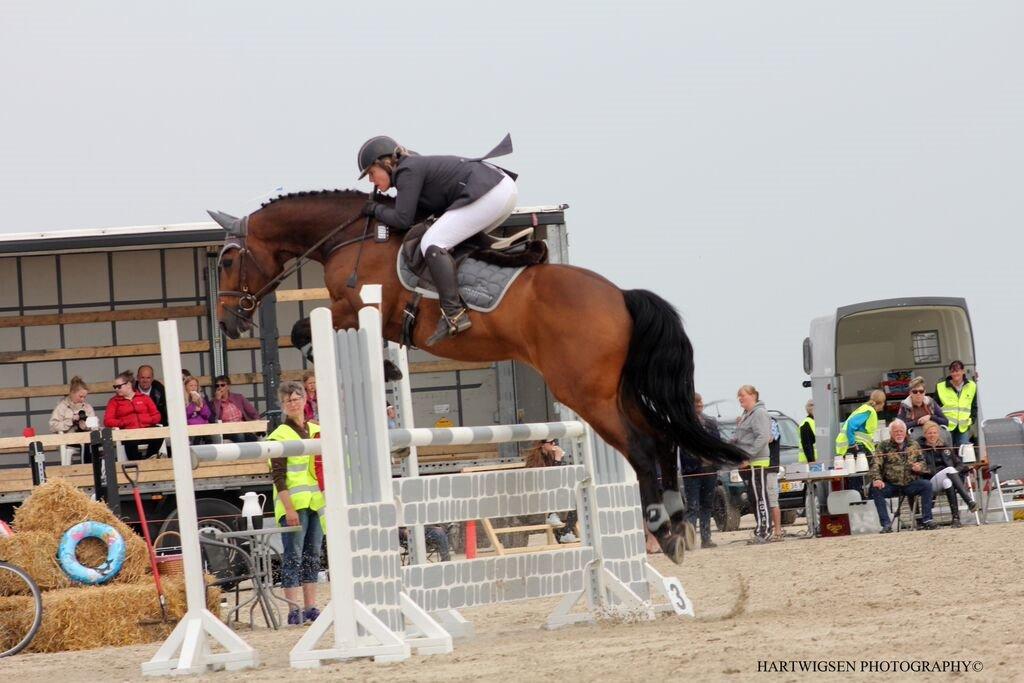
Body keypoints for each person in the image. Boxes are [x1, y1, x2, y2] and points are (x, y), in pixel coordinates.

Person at [357, 134, 518, 345]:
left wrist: (374, 208)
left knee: (432, 244)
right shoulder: (411, 169)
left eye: (371, 173)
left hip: (491, 191)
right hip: (498, 189)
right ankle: (503, 252)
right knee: (448, 238)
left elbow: (403, 219)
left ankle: (454, 313)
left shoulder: (407, 170)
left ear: (385, 163)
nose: (371, 180)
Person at [266, 381, 324, 625]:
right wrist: (289, 508)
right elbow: (278, 477)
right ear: (283, 405)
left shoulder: (315, 430)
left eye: (296, 398)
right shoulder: (278, 435)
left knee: (313, 555)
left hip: (315, 503)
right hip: (293, 505)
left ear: (304, 400)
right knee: (293, 556)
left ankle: (310, 606)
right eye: (288, 400)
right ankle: (293, 609)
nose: (293, 403)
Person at [868, 419, 936, 532]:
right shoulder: (883, 446)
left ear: (905, 432)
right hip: (891, 485)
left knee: (927, 485)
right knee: (875, 488)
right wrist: (877, 479)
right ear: (890, 433)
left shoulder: (914, 444)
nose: (899, 434)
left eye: (901, 431)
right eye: (896, 431)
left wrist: (920, 468)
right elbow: (875, 464)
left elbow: (923, 463)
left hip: (910, 483)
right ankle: (886, 524)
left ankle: (927, 520)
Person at [730, 385, 775, 543]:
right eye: (738, 396)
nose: (740, 398)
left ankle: (765, 531)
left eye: (742, 395)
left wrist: (747, 457)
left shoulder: (759, 413)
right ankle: (760, 529)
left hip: (757, 462)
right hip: (747, 463)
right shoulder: (746, 415)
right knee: (754, 498)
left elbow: (762, 437)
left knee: (760, 497)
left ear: (753, 395)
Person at [917, 421, 978, 528]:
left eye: (935, 433)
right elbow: (923, 468)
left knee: (948, 481)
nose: (932, 435)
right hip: (930, 481)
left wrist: (953, 473)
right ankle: (969, 501)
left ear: (938, 433)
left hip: (947, 478)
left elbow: (959, 464)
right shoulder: (921, 449)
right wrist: (949, 471)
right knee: (949, 469)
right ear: (925, 434)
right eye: (929, 433)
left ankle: (955, 519)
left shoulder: (945, 447)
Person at [681, 393, 719, 549]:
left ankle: (706, 539)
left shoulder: (710, 422)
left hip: (710, 470)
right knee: (693, 507)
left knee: (707, 505)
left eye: (700, 402)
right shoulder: (683, 424)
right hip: (692, 472)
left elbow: (717, 443)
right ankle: (689, 541)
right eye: (696, 402)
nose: (699, 405)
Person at [525, 438, 577, 543]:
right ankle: (551, 515)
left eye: (555, 442)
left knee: (577, 500)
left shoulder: (552, 455)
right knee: (555, 492)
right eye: (551, 442)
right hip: (538, 491)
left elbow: (558, 476)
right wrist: (557, 459)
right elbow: (547, 478)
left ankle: (566, 531)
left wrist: (559, 459)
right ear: (543, 444)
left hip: (554, 490)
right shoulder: (534, 458)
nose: (554, 444)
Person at [835, 389, 886, 494]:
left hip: (850, 447)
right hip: (855, 447)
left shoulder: (863, 409)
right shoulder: (869, 411)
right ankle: (865, 497)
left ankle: (859, 496)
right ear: (882, 402)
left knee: (856, 477)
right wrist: (853, 443)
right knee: (872, 471)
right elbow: (851, 426)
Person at [103, 372, 163, 460]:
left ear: (128, 384)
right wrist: (124, 422)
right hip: (128, 433)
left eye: (118, 386)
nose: (116, 389)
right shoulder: (114, 401)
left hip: (146, 430)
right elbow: (107, 421)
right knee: (129, 439)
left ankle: (149, 457)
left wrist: (147, 420)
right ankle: (138, 462)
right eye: (114, 387)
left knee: (159, 431)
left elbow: (157, 415)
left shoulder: (144, 398)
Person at [49, 376, 98, 462]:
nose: (83, 399)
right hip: (69, 440)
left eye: (85, 397)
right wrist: (70, 421)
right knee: (87, 444)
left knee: (95, 442)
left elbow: (95, 426)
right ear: (72, 393)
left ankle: (94, 468)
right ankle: (87, 468)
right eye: (80, 396)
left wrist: (87, 426)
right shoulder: (62, 407)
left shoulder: (87, 407)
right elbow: (53, 426)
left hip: (86, 439)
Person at [935, 360, 978, 447]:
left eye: (957, 371)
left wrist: (971, 420)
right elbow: (935, 407)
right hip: (946, 426)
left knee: (964, 451)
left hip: (963, 426)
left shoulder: (972, 386)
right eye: (952, 371)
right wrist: (939, 421)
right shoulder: (940, 387)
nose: (955, 374)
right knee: (948, 452)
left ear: (963, 371)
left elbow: (974, 405)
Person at [210, 375, 260, 442]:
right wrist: (218, 401)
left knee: (252, 437)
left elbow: (253, 412)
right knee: (240, 436)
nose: (219, 388)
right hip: (226, 430)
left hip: (241, 427)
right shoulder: (213, 402)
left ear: (228, 386)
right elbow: (215, 417)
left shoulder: (238, 397)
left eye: (222, 385)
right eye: (217, 386)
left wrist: (257, 423)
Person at [183, 376, 213, 444]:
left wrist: (201, 405)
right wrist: (193, 405)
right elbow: (184, 416)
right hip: (190, 428)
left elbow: (207, 415)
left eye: (195, 385)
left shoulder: (201, 398)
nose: (193, 387)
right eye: (191, 385)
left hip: (203, 427)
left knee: (207, 435)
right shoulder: (182, 399)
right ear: (185, 387)